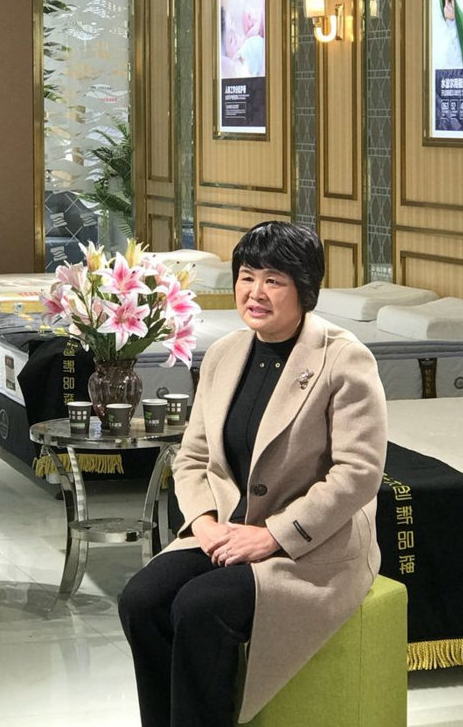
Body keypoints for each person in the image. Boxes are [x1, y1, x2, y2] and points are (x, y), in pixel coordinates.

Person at [118, 221, 388, 727]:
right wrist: (203, 524)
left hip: (311, 545)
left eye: (273, 280)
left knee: (201, 606)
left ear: (304, 289)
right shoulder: (224, 353)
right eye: (246, 277)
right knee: (141, 600)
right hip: (226, 529)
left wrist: (272, 536)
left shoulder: (344, 359)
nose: (255, 293)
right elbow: (192, 456)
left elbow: (358, 473)